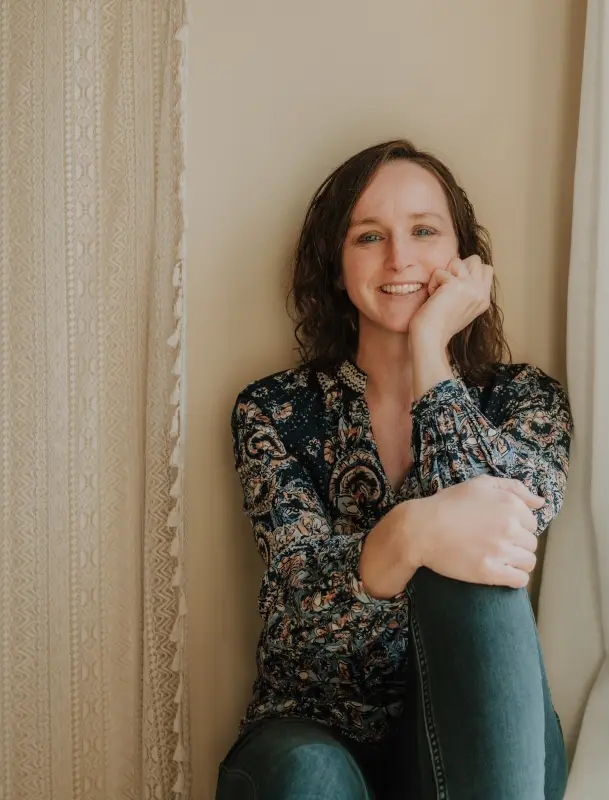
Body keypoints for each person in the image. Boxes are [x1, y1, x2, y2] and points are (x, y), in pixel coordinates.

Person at [216, 139, 572, 799]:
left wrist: (431, 348)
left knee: (479, 560)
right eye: (369, 236)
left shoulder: (525, 401)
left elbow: (500, 529)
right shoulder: (274, 411)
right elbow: (301, 615)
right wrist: (411, 533)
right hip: (312, 729)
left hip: (478, 736)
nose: (400, 258)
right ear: (336, 265)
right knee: (309, 773)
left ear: (464, 258)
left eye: (424, 231)